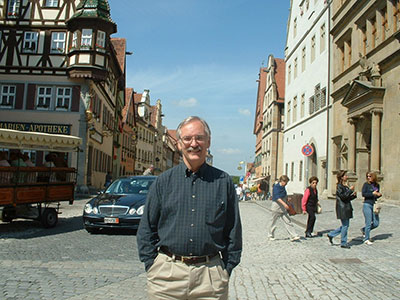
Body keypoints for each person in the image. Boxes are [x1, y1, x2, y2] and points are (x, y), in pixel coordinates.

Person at [137, 116, 242, 300]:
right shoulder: (163, 181)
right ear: (178, 144)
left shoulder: (223, 182)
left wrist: (226, 268)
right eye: (187, 139)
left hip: (210, 277)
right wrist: (152, 265)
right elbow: (146, 229)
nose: (194, 143)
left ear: (208, 142)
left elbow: (233, 230)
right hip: (166, 277)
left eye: (199, 138)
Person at [327, 170, 357, 249]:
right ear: (341, 177)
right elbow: (343, 197)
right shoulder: (339, 186)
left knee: (345, 225)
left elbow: (347, 198)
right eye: (345, 175)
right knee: (345, 225)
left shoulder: (345, 186)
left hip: (346, 207)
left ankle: (331, 234)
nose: (346, 177)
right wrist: (350, 190)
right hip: (342, 208)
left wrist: (353, 195)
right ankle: (343, 242)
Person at [268, 175, 300, 242]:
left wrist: (287, 199)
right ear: (282, 181)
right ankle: (270, 235)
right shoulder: (276, 187)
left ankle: (293, 235)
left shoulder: (283, 187)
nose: (286, 184)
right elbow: (277, 197)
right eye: (285, 182)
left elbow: (283, 195)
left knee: (288, 221)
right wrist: (284, 204)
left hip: (283, 208)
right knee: (273, 222)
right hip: (276, 207)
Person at [361, 171, 382, 245]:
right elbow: (364, 194)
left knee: (376, 223)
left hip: (374, 205)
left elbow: (377, 194)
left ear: (373, 177)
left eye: (370, 176)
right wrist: (372, 193)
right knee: (368, 222)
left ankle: (364, 230)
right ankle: (366, 239)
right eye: (367, 176)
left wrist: (378, 194)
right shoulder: (366, 185)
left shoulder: (377, 185)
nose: (368, 178)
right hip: (367, 204)